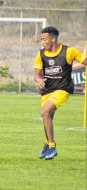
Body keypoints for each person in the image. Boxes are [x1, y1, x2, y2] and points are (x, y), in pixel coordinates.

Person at [34, 26, 87, 160]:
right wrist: (39, 80)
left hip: (63, 89)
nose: (42, 42)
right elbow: (37, 75)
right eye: (41, 39)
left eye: (44, 39)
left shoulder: (69, 51)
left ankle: (52, 146)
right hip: (47, 90)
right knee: (48, 118)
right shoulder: (40, 54)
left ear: (53, 39)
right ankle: (47, 144)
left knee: (45, 113)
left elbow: (84, 61)